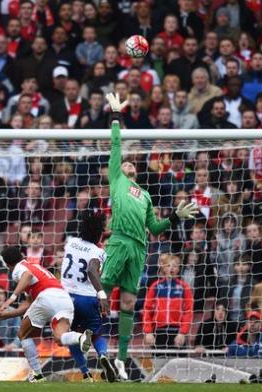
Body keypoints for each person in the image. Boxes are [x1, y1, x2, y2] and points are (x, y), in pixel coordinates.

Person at [100, 92, 198, 380]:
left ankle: (120, 359)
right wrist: (116, 116)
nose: (128, 163)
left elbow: (154, 229)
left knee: (129, 303)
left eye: (132, 164)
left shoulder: (144, 195)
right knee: (102, 290)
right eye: (125, 162)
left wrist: (175, 217)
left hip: (140, 249)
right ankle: (87, 338)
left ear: (137, 172)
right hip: (119, 239)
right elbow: (116, 144)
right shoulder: (116, 177)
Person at [0, 246, 92, 382]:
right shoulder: (35, 266)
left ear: (7, 263)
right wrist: (7, 314)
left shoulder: (18, 269)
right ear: (22, 255)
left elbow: (27, 275)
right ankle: (80, 338)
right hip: (64, 299)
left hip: (46, 297)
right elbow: (29, 302)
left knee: (23, 334)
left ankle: (37, 374)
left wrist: (11, 298)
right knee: (59, 337)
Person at [61, 210, 116, 382]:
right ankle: (103, 355)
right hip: (86, 298)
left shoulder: (70, 242)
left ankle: (85, 374)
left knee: (72, 335)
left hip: (65, 297)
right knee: (96, 335)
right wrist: (102, 296)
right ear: (99, 232)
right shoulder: (98, 251)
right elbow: (92, 270)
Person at [142, 254, 193, 349]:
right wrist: (148, 332)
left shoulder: (184, 287)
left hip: (177, 331)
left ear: (178, 268)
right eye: (168, 265)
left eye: (174, 266)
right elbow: (147, 310)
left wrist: (183, 332)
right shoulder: (155, 286)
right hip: (159, 330)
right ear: (164, 268)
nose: (171, 269)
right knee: (158, 362)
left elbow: (188, 311)